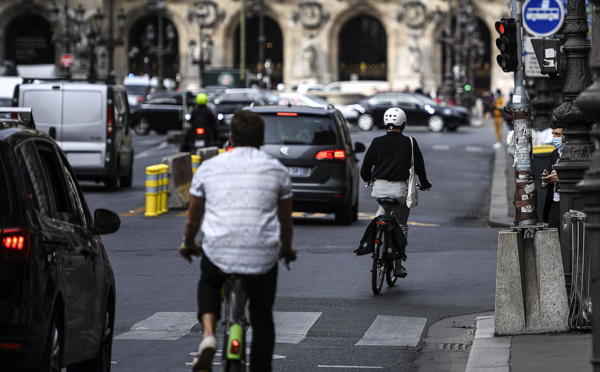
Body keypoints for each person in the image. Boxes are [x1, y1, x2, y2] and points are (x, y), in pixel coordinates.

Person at [179, 109, 297, 372]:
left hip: (219, 253)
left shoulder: (209, 168)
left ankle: (209, 334)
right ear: (262, 139)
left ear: (230, 136)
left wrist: (188, 243)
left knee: (209, 281)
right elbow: (286, 224)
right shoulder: (277, 171)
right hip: (262, 258)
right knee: (262, 319)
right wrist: (287, 249)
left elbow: (192, 221)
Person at [360, 107, 432, 278]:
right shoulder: (410, 142)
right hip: (400, 191)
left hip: (380, 189)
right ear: (403, 124)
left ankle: (377, 238)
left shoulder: (376, 142)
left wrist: (369, 178)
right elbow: (420, 169)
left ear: (386, 123)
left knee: (381, 214)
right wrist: (425, 184)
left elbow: (364, 170)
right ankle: (398, 265)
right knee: (401, 225)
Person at [542, 122, 566, 231]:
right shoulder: (555, 153)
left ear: (565, 136)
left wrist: (561, 178)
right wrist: (546, 180)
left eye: (557, 134)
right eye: (553, 134)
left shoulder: (574, 153)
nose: (554, 137)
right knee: (553, 235)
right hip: (555, 203)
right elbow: (551, 177)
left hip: (567, 202)